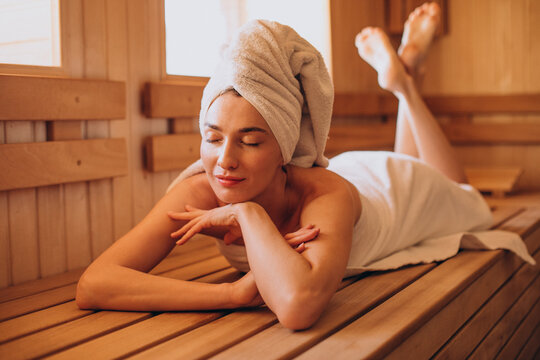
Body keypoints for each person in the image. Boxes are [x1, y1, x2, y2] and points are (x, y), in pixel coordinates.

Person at [76, 3, 533, 330]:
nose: (225, 161)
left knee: (470, 200)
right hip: (357, 172)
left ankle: (405, 87)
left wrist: (247, 214)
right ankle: (406, 77)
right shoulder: (208, 183)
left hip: (396, 194)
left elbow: (297, 305)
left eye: (251, 141)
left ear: (285, 149)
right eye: (212, 137)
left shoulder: (324, 195)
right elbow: (95, 284)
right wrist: (229, 295)